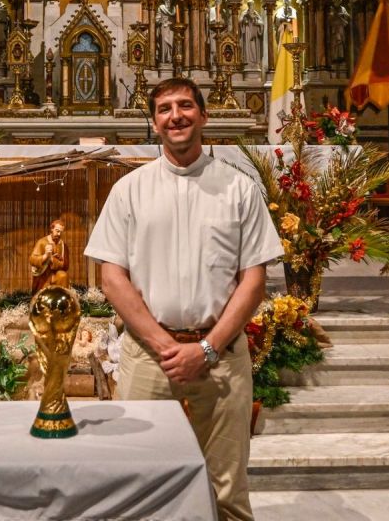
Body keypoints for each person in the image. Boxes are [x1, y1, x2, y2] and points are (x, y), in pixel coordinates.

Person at [84, 77, 282, 521]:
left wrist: (207, 348)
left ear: (204, 116)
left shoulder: (238, 188)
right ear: (154, 123)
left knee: (227, 491)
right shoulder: (129, 190)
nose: (176, 115)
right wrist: (164, 346)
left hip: (222, 358)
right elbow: (112, 277)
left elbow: (254, 279)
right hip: (148, 360)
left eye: (186, 106)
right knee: (143, 485)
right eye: (165, 109)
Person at [29, 219, 70, 293]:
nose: (59, 234)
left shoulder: (64, 246)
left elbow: (66, 265)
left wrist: (55, 260)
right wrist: (45, 256)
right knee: (44, 292)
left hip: (56, 275)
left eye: (61, 232)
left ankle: (61, 299)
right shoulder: (42, 242)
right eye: (57, 231)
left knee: (63, 276)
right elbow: (32, 259)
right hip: (44, 275)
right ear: (51, 229)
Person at [239, 0, 264, 71]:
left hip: (255, 32)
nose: (251, 6)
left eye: (252, 4)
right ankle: (248, 62)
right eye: (250, 4)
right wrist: (244, 20)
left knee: (254, 47)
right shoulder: (244, 13)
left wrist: (257, 22)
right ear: (248, 5)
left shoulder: (256, 13)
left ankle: (255, 62)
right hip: (247, 31)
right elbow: (240, 21)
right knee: (248, 46)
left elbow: (261, 22)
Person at [155, 0, 175, 65]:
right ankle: (163, 60)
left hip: (171, 28)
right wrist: (161, 21)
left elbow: (174, 19)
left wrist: (170, 22)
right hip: (163, 27)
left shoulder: (173, 8)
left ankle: (169, 59)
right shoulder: (161, 7)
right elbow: (157, 18)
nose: (168, 0)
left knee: (171, 44)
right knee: (163, 43)